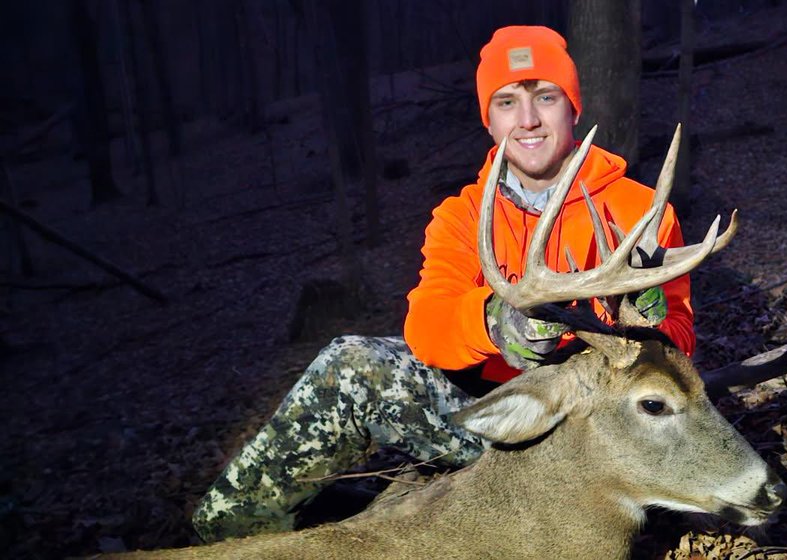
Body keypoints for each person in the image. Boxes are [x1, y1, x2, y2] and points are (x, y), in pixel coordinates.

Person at [191, 25, 697, 543]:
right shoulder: (463, 217)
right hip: (498, 416)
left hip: (600, 424)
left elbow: (681, 336)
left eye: (545, 97)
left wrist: (652, 323)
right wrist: (498, 321)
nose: (527, 120)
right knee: (352, 364)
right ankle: (231, 533)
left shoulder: (638, 208)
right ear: (489, 119)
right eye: (506, 102)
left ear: (572, 108)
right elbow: (427, 328)